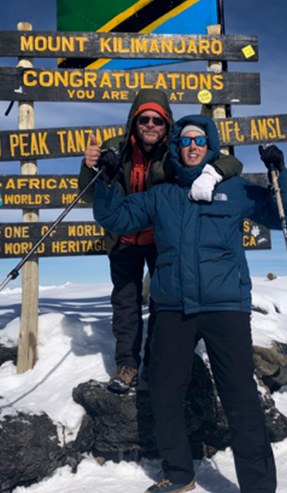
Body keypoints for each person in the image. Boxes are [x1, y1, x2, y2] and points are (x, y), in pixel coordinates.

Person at [92, 114, 287, 493]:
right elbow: (115, 219)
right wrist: (105, 182)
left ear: (210, 146)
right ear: (177, 148)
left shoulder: (236, 189)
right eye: (186, 139)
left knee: (241, 399)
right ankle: (178, 471)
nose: (192, 145)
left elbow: (285, 215)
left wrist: (280, 172)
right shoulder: (163, 195)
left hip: (226, 307)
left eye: (200, 140)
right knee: (164, 392)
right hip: (173, 307)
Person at [79, 90, 243, 394]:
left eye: (157, 119)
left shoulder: (176, 150)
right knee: (125, 303)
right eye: (144, 119)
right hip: (123, 238)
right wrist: (90, 167)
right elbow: (90, 197)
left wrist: (213, 172)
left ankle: (154, 364)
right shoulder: (114, 148)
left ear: (167, 124)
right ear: (134, 121)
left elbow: (231, 164)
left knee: (162, 303)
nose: (151, 125)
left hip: (162, 240)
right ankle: (127, 364)